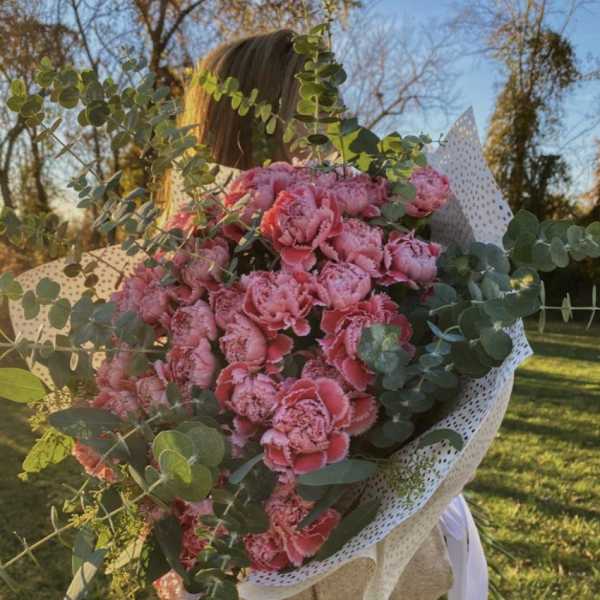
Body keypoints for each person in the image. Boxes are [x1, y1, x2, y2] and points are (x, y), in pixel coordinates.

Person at [156, 29, 483, 600]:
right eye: (313, 114)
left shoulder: (371, 221)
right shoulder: (181, 270)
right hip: (258, 543)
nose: (327, 138)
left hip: (357, 531)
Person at [159, 28, 304, 222]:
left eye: (338, 111)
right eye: (320, 110)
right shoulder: (186, 239)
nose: (337, 126)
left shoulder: (342, 222)